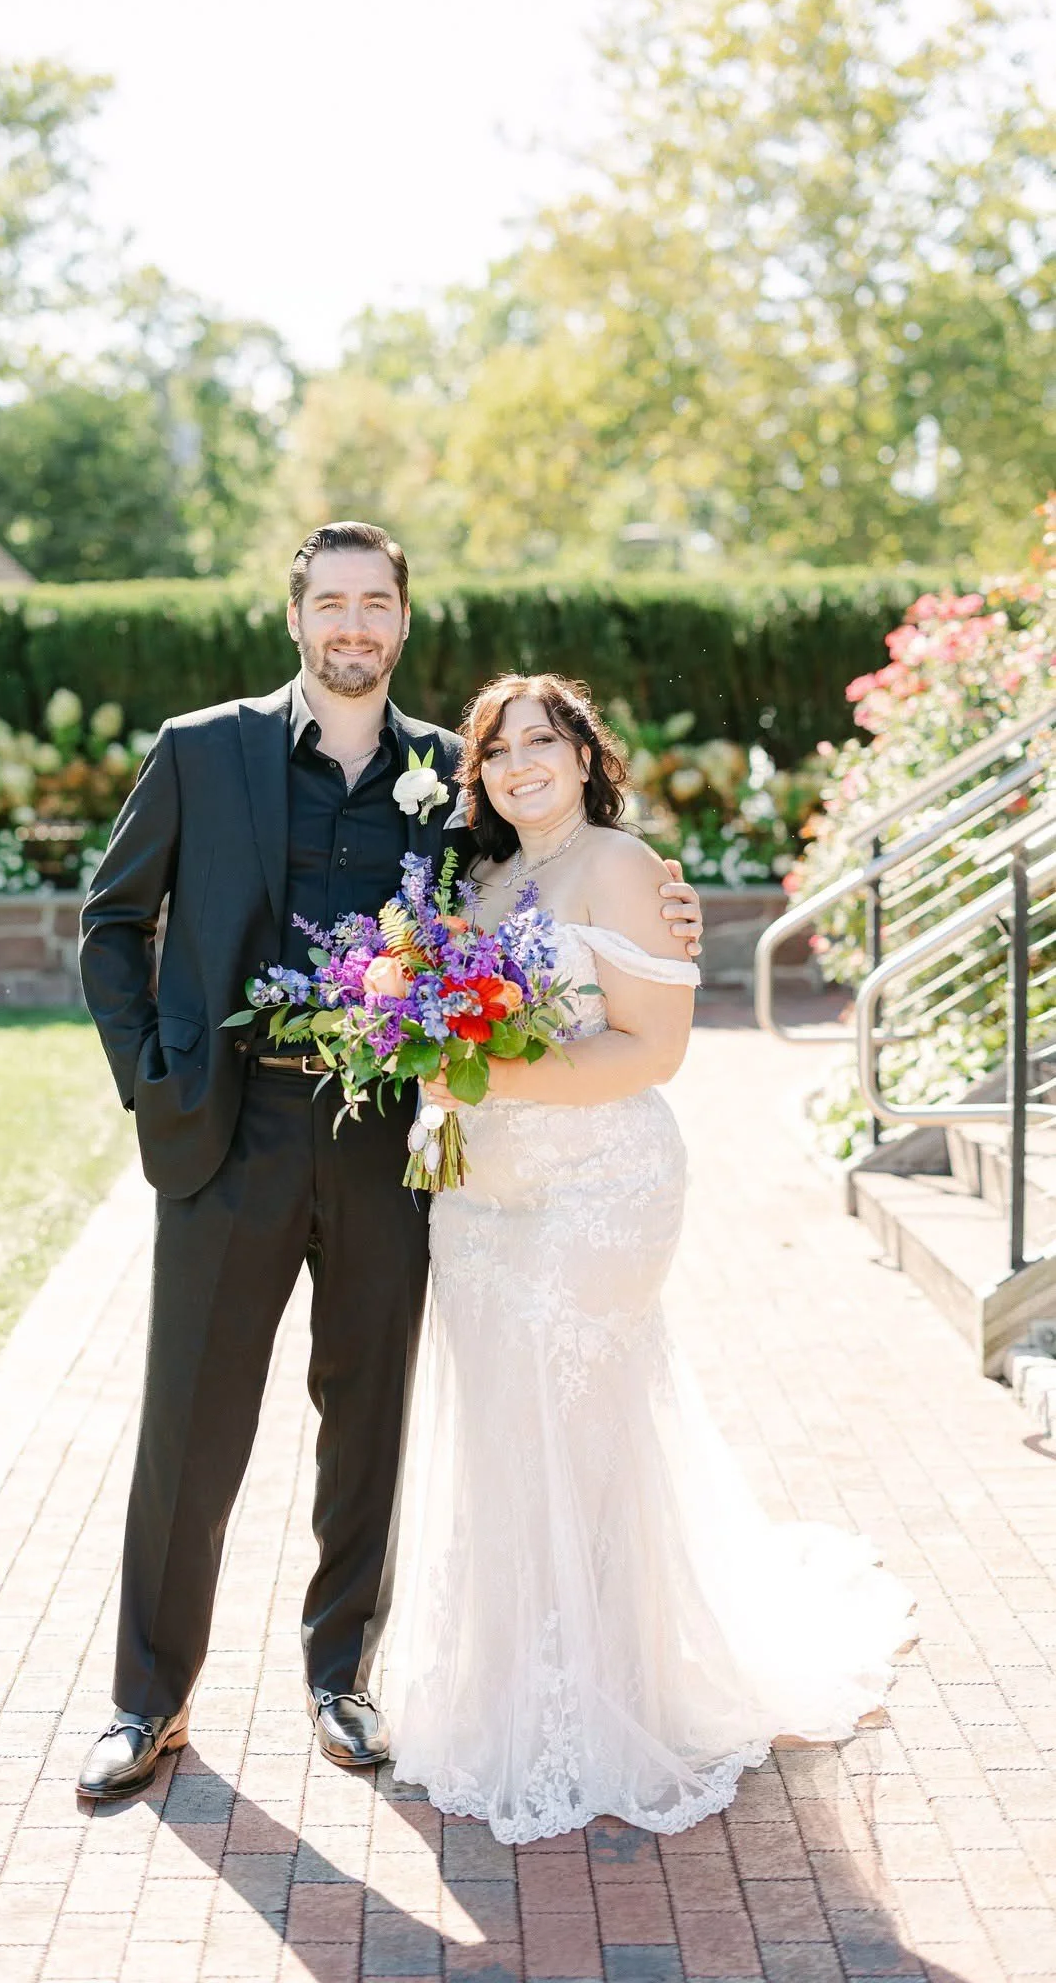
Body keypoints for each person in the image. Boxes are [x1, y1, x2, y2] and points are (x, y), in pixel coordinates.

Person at [74, 526, 706, 1802]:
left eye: (377, 603)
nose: (354, 624)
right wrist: (158, 1077)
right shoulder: (201, 749)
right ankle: (149, 1700)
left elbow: (554, 881)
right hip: (228, 1133)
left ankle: (340, 1675)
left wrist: (671, 907)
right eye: (332, 603)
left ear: (403, 623)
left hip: (392, 1144)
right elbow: (110, 919)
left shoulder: (447, 775)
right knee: (191, 1420)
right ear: (296, 615)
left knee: (366, 1418)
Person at [389, 672, 915, 1843]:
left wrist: (488, 1073)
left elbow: (653, 1048)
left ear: (584, 757)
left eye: (543, 739)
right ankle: (511, 1682)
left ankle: (606, 1698)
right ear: (478, 777)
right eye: (498, 749)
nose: (521, 762)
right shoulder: (476, 881)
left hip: (598, 1189)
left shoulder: (626, 871)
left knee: (576, 1425)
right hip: (484, 1194)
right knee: (502, 1432)